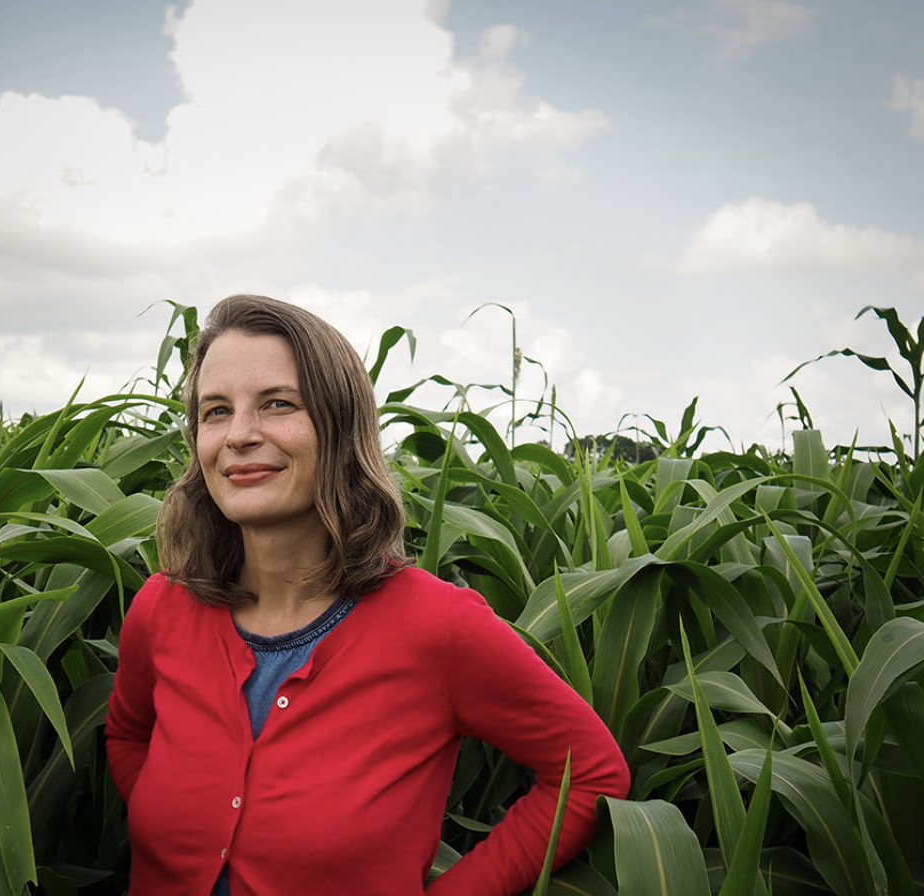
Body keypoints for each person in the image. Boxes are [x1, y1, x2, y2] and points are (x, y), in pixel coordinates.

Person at [105, 294, 630, 895]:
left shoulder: (439, 627)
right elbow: (127, 734)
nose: (240, 435)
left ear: (341, 427)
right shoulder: (162, 609)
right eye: (216, 411)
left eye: (277, 404)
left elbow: (588, 772)